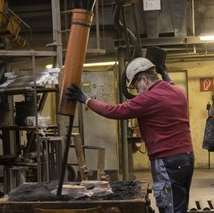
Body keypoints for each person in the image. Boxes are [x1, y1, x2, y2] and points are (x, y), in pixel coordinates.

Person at [66, 57, 194, 213]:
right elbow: (170, 83)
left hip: (166, 161)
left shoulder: (148, 99)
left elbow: (113, 111)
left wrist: (85, 99)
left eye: (136, 85)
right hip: (186, 158)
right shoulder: (179, 92)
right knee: (179, 204)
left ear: (145, 79)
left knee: (169, 208)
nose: (137, 90)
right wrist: (164, 72)